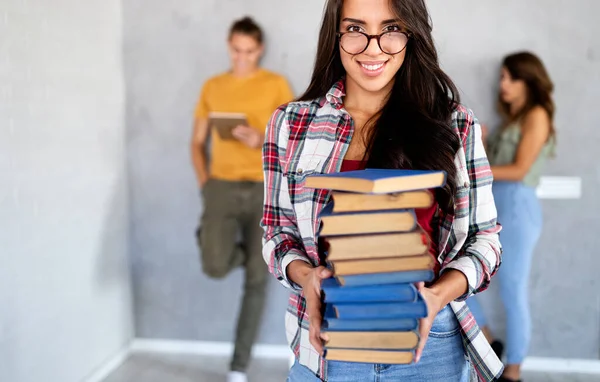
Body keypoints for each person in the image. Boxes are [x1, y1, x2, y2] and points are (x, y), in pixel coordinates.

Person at [261, 0, 503, 381]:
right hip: (325, 348)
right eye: (355, 29)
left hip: (430, 345)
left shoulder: (454, 123)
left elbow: (485, 241)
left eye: (390, 29)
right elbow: (277, 233)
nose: (373, 48)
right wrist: (306, 277)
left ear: (411, 35)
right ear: (336, 35)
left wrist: (436, 296)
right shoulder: (290, 124)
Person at [190, 16, 294, 382]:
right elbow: (196, 142)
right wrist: (206, 184)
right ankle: (216, 243)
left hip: (264, 188)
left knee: (256, 277)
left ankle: (238, 366)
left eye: (249, 52)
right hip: (220, 185)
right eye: (236, 50)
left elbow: (292, 142)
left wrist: (260, 139)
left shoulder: (276, 84)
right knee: (214, 264)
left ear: (260, 49)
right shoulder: (213, 86)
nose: (242, 58)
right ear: (228, 45)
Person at [466, 51, 556, 382]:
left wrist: (475, 165)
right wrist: (483, 143)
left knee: (513, 291)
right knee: (466, 277)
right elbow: (493, 171)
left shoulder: (537, 115)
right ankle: (489, 343)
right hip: (496, 204)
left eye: (509, 77)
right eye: (502, 77)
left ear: (527, 80)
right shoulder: (513, 120)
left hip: (518, 207)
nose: (502, 84)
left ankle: (514, 370)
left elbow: (518, 170)